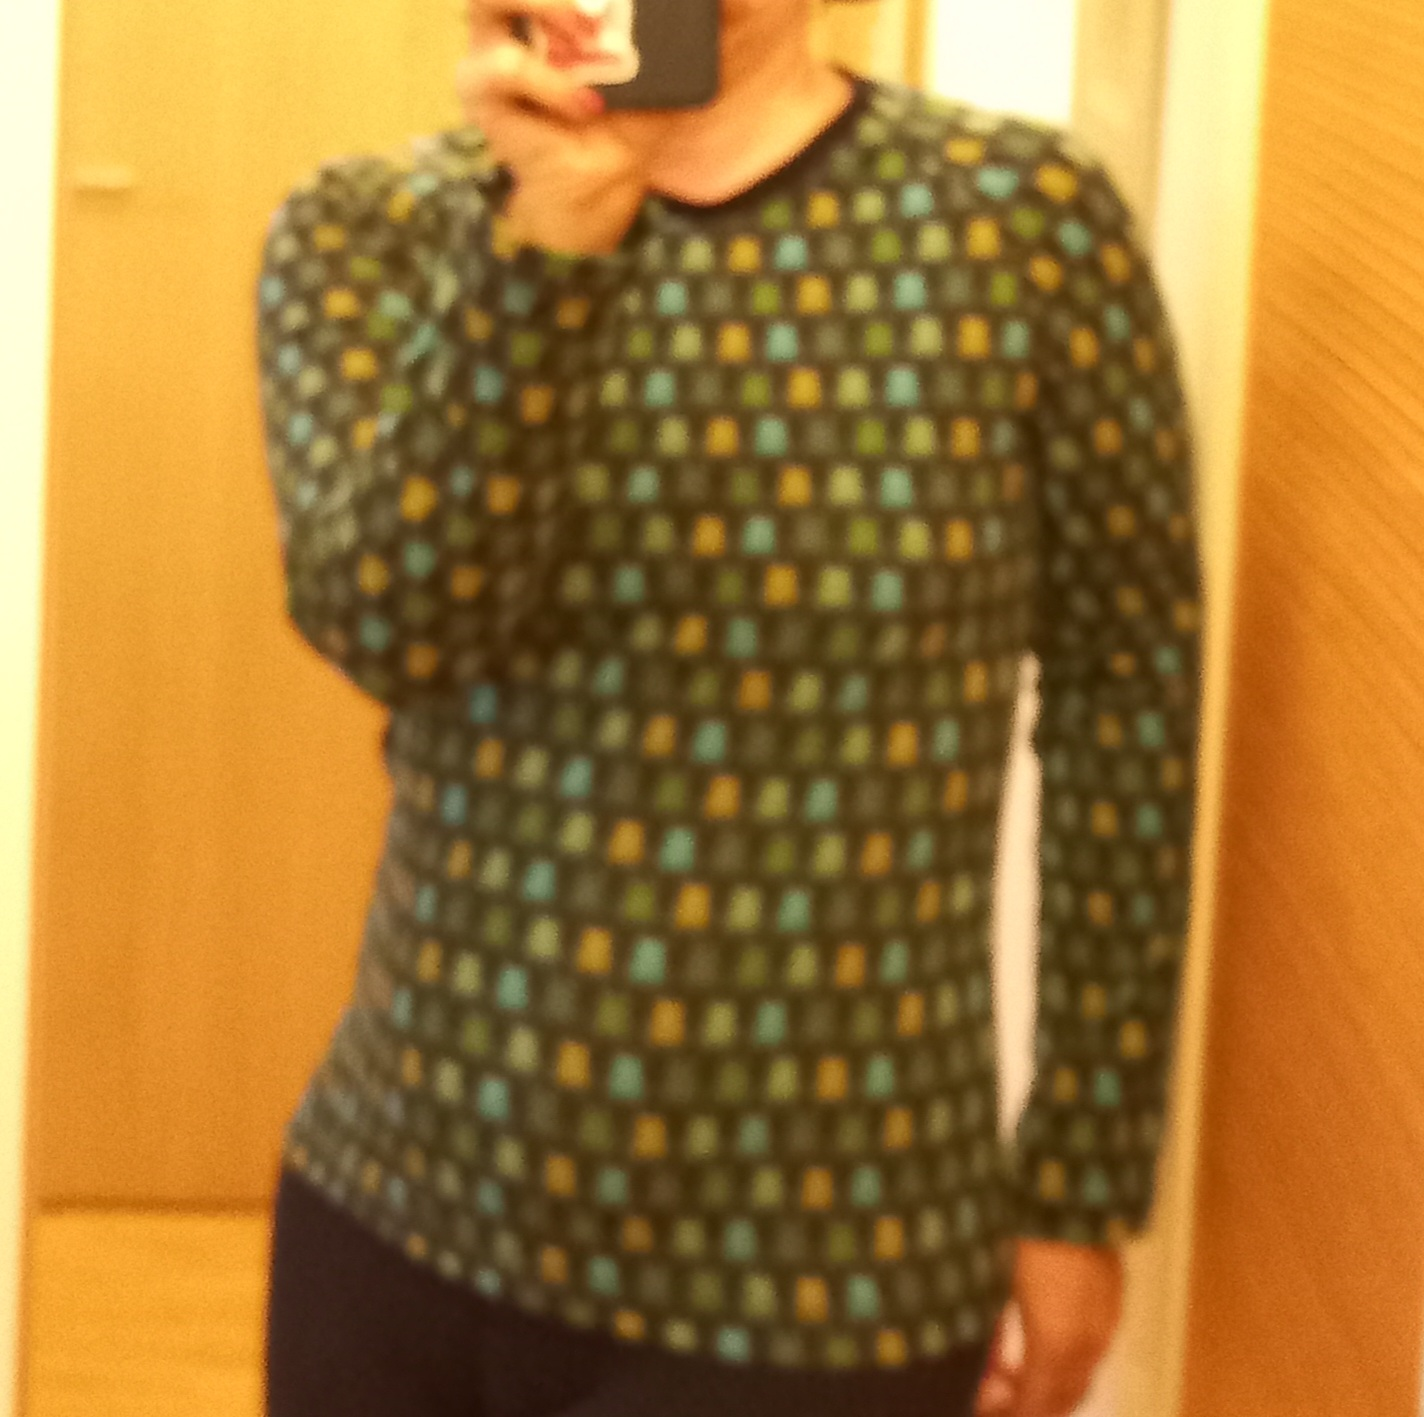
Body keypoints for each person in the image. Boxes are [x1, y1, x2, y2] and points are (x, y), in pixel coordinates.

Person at [255, 0, 1204, 1413]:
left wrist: (1080, 1176)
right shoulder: (377, 230)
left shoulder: (1021, 225)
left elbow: (1128, 698)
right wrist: (553, 239)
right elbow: (392, 627)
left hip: (828, 1276)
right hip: (409, 1211)